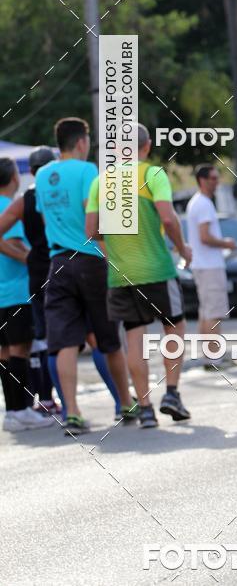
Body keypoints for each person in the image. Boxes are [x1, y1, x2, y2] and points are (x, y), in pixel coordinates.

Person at [85, 124, 192, 428]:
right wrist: (183, 249)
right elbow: (169, 218)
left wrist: (115, 249)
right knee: (174, 327)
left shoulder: (101, 181)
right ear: (146, 147)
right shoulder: (152, 174)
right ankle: (171, 393)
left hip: (121, 275)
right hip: (158, 268)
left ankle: (145, 408)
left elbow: (90, 230)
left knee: (135, 338)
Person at [35, 117, 136, 434]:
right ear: (81, 142)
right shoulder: (88, 171)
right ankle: (124, 403)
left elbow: (46, 217)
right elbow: (96, 220)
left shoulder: (41, 175)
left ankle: (72, 412)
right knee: (108, 340)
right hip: (90, 262)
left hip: (58, 264)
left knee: (64, 341)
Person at [0, 158, 53, 432]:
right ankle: (21, 409)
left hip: (2, 293)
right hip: (16, 290)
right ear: (13, 178)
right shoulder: (10, 207)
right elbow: (12, 243)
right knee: (20, 349)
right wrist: (31, 259)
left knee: (5, 353)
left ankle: (12, 411)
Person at [187, 165, 237, 371]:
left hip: (201, 265)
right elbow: (205, 236)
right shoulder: (204, 204)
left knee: (206, 313)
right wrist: (227, 243)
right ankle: (214, 359)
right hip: (209, 266)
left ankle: (211, 357)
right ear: (202, 180)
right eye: (213, 178)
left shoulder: (196, 202)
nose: (217, 182)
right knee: (214, 313)